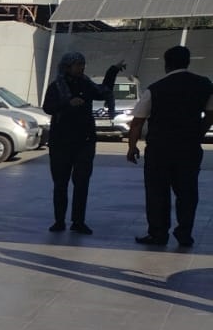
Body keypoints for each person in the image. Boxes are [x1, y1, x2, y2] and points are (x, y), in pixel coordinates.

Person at [126, 46, 213, 247]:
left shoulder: (155, 88)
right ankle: (184, 234)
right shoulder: (204, 85)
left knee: (157, 192)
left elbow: (138, 121)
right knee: (187, 192)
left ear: (167, 64)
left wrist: (132, 147)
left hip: (159, 149)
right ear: (187, 62)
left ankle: (158, 234)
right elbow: (210, 114)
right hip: (189, 148)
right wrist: (198, 132)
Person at [41, 52, 124, 236]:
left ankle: (78, 222)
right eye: (78, 64)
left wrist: (113, 71)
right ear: (67, 66)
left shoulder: (86, 84)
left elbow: (104, 91)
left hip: (84, 141)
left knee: (82, 183)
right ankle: (59, 221)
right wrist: (67, 103)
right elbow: (48, 107)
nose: (81, 68)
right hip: (61, 142)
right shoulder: (56, 87)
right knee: (60, 183)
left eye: (83, 64)